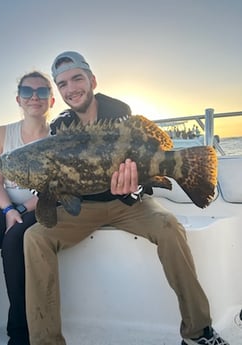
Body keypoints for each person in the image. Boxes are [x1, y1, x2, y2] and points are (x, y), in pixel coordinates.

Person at [23, 51, 229, 345]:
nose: (71, 89)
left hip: (131, 204)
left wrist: (132, 187)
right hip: (86, 208)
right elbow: (57, 180)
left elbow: (141, 159)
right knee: (34, 237)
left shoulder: (118, 109)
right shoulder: (59, 126)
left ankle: (198, 332)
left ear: (92, 80)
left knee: (169, 226)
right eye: (63, 84)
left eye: (77, 78)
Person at [0, 71, 55, 345]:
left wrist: (23, 209)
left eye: (42, 91)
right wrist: (7, 210)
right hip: (7, 204)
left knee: (14, 241)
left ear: (51, 100)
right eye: (27, 91)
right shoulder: (3, 134)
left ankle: (19, 333)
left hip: (42, 205)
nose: (34, 97)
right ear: (18, 99)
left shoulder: (57, 136)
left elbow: (54, 189)